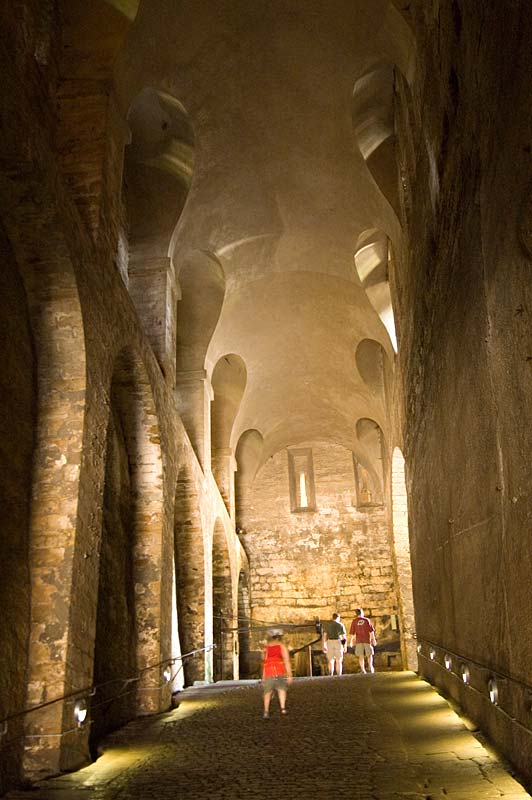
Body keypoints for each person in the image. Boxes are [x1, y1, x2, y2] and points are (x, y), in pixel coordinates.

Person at [261, 628, 292, 718]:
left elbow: (264, 661)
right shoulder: (282, 646)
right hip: (279, 669)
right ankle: (283, 708)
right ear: (280, 637)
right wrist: (289, 674)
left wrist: (263, 675)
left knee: (267, 691)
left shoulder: (266, 647)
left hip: (268, 670)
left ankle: (266, 711)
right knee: (281, 689)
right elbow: (286, 660)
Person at [349, 608, 377, 674]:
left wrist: (351, 641)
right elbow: (371, 631)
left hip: (359, 640)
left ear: (356, 614)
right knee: (369, 654)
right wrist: (373, 639)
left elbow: (353, 633)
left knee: (360, 655)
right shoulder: (366, 620)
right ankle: (370, 667)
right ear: (362, 613)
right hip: (367, 640)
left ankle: (363, 669)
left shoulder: (354, 621)